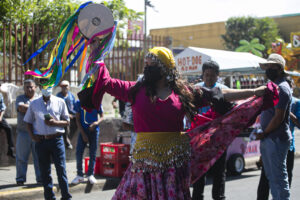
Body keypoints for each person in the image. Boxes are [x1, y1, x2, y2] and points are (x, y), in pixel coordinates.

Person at [78, 44, 269, 199]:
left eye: (151, 64)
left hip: (174, 166)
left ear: (164, 68)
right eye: (146, 63)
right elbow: (106, 81)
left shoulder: (183, 92)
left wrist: (253, 92)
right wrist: (96, 52)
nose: (147, 67)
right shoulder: (135, 90)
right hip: (144, 165)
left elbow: (220, 94)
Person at [24, 80, 72, 200]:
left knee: (61, 170)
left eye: (49, 86)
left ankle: (66, 196)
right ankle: (49, 197)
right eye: (44, 86)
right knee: (45, 172)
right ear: (40, 87)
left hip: (56, 140)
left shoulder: (60, 102)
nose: (47, 88)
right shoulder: (34, 104)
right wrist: (32, 136)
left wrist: (55, 123)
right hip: (41, 142)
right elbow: (28, 122)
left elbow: (67, 121)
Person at [255, 53, 292, 200]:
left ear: (280, 68)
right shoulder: (274, 87)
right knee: (272, 177)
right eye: (267, 66)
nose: (268, 69)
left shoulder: (282, 88)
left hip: (275, 139)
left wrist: (264, 132)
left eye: (272, 66)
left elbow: (278, 118)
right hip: (270, 138)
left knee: (278, 179)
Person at [257, 76, 300, 200]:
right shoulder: (272, 99)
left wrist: (286, 111)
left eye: (289, 85)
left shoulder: (296, 102)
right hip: (269, 142)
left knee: (283, 179)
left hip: (286, 145)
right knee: (266, 179)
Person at [193, 61, 229, 200]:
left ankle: (219, 197)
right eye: (206, 75)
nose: (209, 78)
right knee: (198, 172)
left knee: (219, 172)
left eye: (212, 75)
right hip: (199, 137)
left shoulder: (224, 90)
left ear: (217, 76)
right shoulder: (195, 90)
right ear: (202, 75)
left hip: (219, 137)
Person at [15, 79, 41, 186]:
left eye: (31, 87)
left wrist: (31, 108)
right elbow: (21, 108)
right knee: (21, 157)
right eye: (27, 87)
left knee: (38, 158)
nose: (29, 89)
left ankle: (40, 178)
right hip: (23, 133)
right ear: (24, 88)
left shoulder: (40, 98)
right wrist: (36, 108)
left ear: (35, 87)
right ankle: (20, 178)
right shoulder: (20, 98)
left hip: (37, 133)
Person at [71, 100, 104, 185]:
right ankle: (79, 175)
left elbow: (102, 116)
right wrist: (83, 134)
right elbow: (77, 119)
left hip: (94, 131)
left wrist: (96, 123)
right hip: (83, 130)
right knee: (79, 152)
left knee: (92, 153)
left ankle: (90, 174)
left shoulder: (96, 101)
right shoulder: (79, 102)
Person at [57, 80, 76, 149]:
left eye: (66, 86)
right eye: (63, 86)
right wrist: (67, 115)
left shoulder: (71, 96)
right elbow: (58, 109)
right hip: (63, 115)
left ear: (69, 87)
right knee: (66, 123)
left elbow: (74, 106)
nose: (65, 88)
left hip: (72, 114)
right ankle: (67, 141)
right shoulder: (58, 96)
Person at [0, 86, 15, 158]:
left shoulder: (0, 95)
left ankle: (10, 150)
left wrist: (0, 117)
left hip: (0, 116)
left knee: (9, 129)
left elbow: (2, 108)